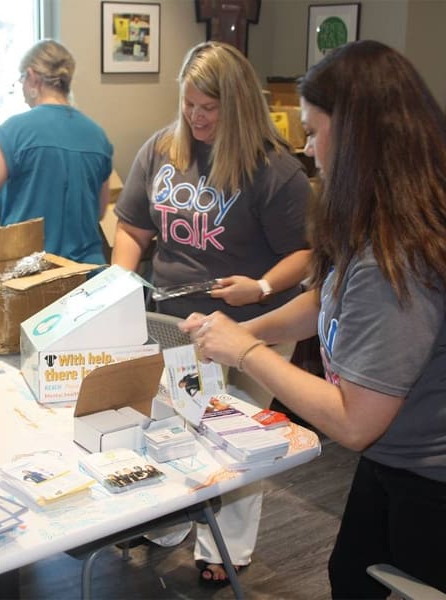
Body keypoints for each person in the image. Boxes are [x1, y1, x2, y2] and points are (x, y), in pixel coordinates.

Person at [183, 39, 446, 598]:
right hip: (394, 462)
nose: (306, 145)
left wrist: (247, 354)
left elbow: (354, 422)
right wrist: (240, 333)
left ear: (353, 135)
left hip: (427, 483)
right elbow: (326, 299)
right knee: (349, 572)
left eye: (312, 128)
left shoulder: (396, 257)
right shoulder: (378, 215)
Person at [112, 41, 312, 584]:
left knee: (235, 440)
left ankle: (225, 550)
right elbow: (133, 228)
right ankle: (164, 521)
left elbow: (309, 250)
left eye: (209, 108)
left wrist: (264, 283)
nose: (196, 118)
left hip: (253, 327)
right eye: (189, 105)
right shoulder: (162, 150)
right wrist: (122, 280)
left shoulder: (275, 170)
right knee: (166, 426)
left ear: (239, 104)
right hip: (171, 323)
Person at [0, 39, 113, 266]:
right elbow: (99, 212)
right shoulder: (97, 135)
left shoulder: (15, 131)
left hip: (34, 274)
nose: (21, 87)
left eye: (21, 79)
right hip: (87, 273)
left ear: (32, 77)